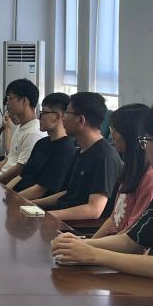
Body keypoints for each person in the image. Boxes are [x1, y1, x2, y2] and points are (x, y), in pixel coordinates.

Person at [52, 104, 153, 280]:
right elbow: (132, 240)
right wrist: (80, 244)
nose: (144, 147)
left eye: (146, 141)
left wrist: (94, 254)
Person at [32, 92, 121, 221]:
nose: (63, 118)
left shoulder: (104, 157)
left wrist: (48, 216)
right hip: (61, 217)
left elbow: (94, 210)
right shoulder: (80, 151)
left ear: (81, 120)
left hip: (77, 227)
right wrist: (32, 204)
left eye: (67, 113)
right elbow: (69, 194)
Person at [90, 104, 153, 239]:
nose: (112, 135)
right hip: (111, 242)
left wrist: (88, 246)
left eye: (116, 130)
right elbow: (113, 218)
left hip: (124, 246)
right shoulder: (130, 169)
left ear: (131, 134)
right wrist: (88, 242)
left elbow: (133, 232)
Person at [6, 92, 75, 201]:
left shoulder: (65, 150)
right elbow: (21, 176)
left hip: (30, 203)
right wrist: (5, 192)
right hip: (16, 196)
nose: (39, 117)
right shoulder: (41, 143)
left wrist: (11, 199)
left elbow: (40, 190)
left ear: (57, 116)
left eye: (43, 113)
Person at [0, 79, 45, 184]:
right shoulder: (22, 127)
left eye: (10, 98)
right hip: (0, 182)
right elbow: (9, 159)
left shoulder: (33, 133)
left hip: (9, 187)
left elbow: (18, 170)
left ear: (24, 101)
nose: (7, 103)